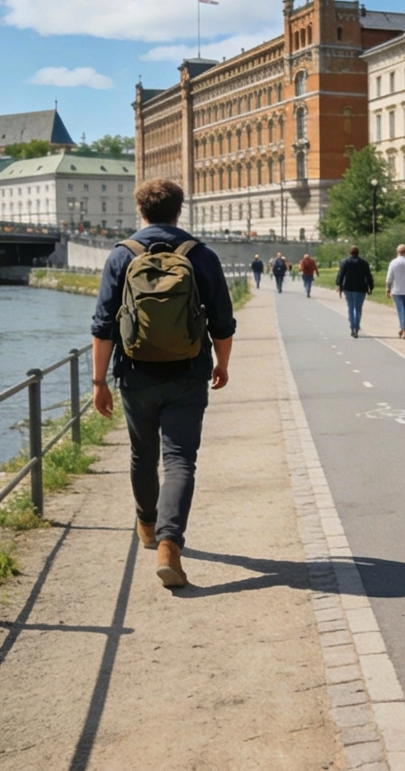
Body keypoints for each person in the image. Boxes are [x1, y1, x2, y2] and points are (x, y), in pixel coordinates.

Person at [91, 178, 236, 589]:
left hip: (136, 374)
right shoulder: (200, 255)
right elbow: (222, 322)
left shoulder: (122, 255)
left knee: (142, 454)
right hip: (189, 371)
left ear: (142, 212)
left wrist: (99, 381)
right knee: (180, 459)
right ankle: (171, 544)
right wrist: (221, 363)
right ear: (179, 210)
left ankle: (147, 525)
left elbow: (103, 327)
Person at [335, 245, 373, 338]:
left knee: (351, 308)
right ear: (358, 252)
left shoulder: (345, 262)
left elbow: (341, 274)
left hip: (348, 288)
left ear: (350, 252)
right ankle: (356, 326)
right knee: (358, 309)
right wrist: (370, 286)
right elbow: (368, 276)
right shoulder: (363, 263)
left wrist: (339, 285)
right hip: (360, 288)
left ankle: (352, 327)